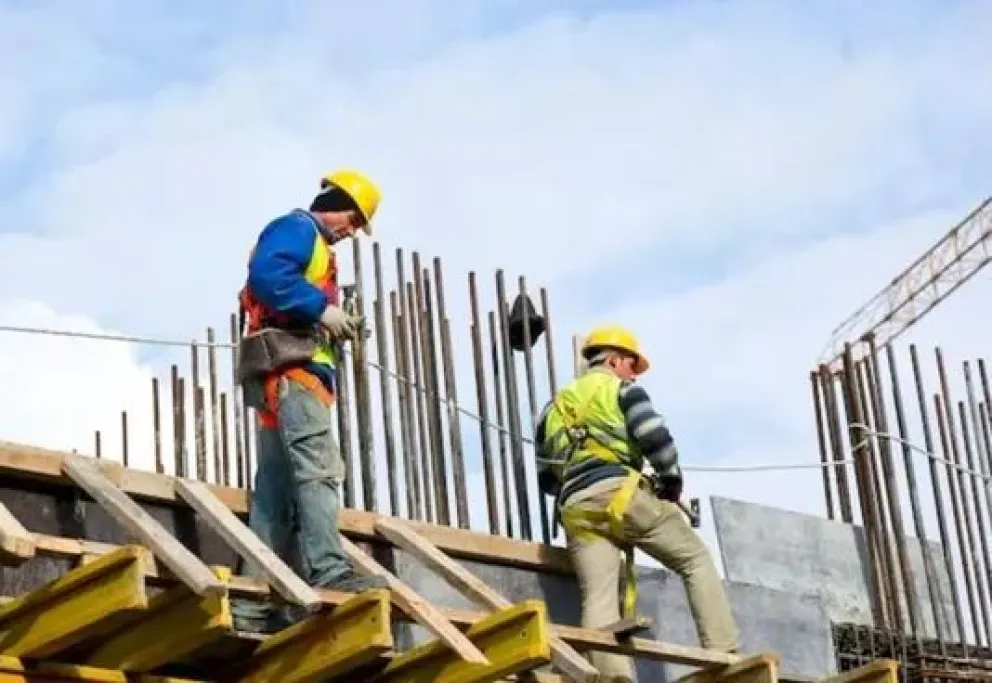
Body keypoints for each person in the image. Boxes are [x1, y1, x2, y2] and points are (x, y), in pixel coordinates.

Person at [533, 325, 740, 682]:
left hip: (576, 509)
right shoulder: (622, 390)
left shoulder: (552, 409)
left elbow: (547, 479)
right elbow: (655, 438)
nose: (633, 372)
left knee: (597, 598)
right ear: (613, 359)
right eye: (631, 364)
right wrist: (671, 479)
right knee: (694, 559)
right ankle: (724, 652)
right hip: (621, 495)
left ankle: (614, 676)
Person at [231, 169, 389, 634]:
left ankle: (253, 604)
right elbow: (267, 275)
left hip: (281, 378)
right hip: (296, 375)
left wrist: (332, 321)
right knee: (319, 471)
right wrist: (322, 310)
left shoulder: (314, 246)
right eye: (353, 218)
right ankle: (329, 570)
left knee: (274, 496)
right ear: (336, 203)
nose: (352, 231)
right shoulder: (300, 229)